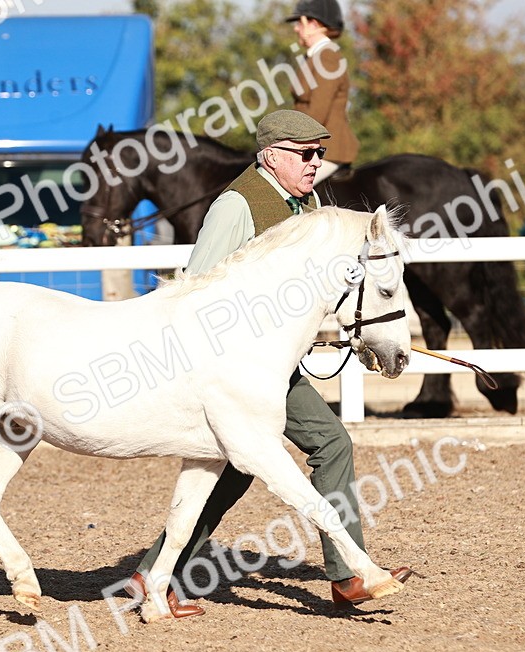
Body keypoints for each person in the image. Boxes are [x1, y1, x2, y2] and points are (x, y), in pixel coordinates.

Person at [125, 110, 411, 618]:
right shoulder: (236, 206)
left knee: (250, 465)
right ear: (271, 156)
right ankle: (347, 575)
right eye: (305, 154)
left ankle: (154, 573)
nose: (315, 162)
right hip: (231, 370)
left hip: (271, 367)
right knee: (319, 445)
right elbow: (197, 288)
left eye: (319, 153)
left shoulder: (309, 204)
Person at [286, 0, 360, 185]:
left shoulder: (327, 57)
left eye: (299, 23)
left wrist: (286, 141)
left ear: (313, 24)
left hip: (327, 149)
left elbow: (318, 112)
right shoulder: (314, 57)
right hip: (311, 145)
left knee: (287, 187)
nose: (296, 28)